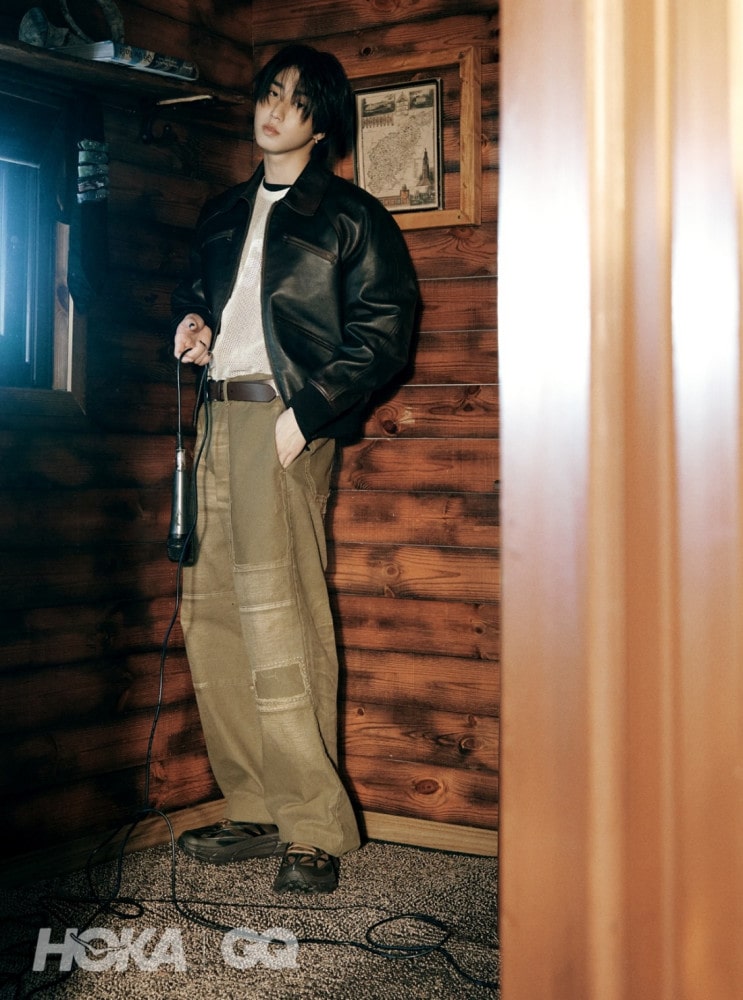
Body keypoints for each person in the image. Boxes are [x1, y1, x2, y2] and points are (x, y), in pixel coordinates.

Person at [170, 43, 418, 895]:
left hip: (281, 424)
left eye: (296, 101)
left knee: (281, 619)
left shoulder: (350, 217)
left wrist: (304, 418)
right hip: (214, 417)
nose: (274, 111)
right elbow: (201, 299)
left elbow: (383, 332)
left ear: (322, 123)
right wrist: (191, 326)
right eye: (268, 94)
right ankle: (253, 804)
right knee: (212, 615)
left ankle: (313, 826)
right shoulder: (221, 212)